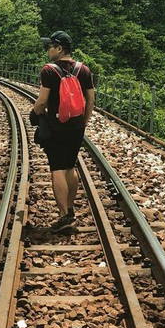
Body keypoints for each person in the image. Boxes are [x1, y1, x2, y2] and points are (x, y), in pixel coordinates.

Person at [31, 31, 95, 232]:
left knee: (57, 168)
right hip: (76, 127)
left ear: (59, 49)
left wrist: (34, 114)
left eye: (50, 46)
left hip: (56, 126)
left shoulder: (49, 71)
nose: (48, 50)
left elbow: (42, 101)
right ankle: (70, 207)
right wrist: (84, 122)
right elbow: (91, 100)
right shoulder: (83, 70)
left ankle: (63, 216)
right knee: (70, 166)